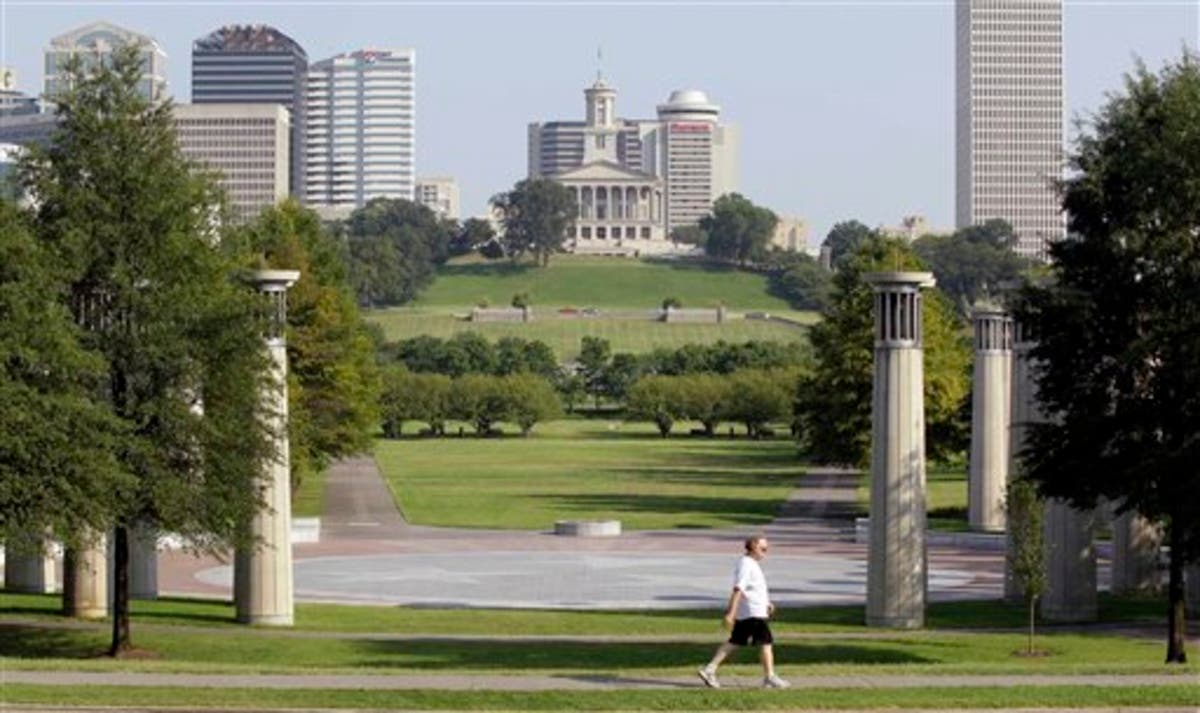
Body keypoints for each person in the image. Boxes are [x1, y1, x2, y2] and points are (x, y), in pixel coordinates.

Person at [697, 535, 790, 689]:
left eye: (767, 549)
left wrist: (767, 602)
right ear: (753, 546)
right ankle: (770, 677)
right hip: (753, 613)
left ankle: (709, 669)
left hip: (753, 611)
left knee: (735, 641)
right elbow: (738, 589)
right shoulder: (746, 564)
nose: (765, 553)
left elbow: (753, 588)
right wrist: (730, 613)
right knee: (766, 643)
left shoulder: (750, 564)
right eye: (763, 549)